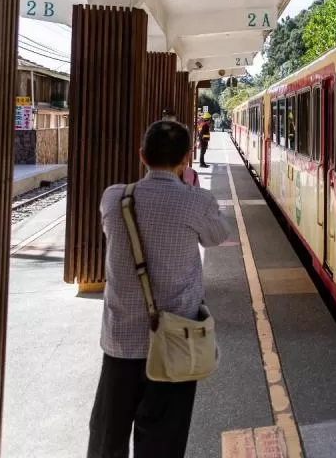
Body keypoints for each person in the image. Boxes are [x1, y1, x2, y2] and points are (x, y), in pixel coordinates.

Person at [87, 120, 230, 458]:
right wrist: (201, 199)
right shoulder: (198, 202)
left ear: (142, 156)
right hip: (175, 343)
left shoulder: (114, 198)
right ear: (187, 157)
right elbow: (218, 236)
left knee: (109, 435)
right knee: (163, 440)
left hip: (120, 342)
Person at [160, 109, 199, 187]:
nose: (167, 119)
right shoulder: (159, 131)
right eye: (166, 117)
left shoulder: (181, 130)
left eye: (169, 117)